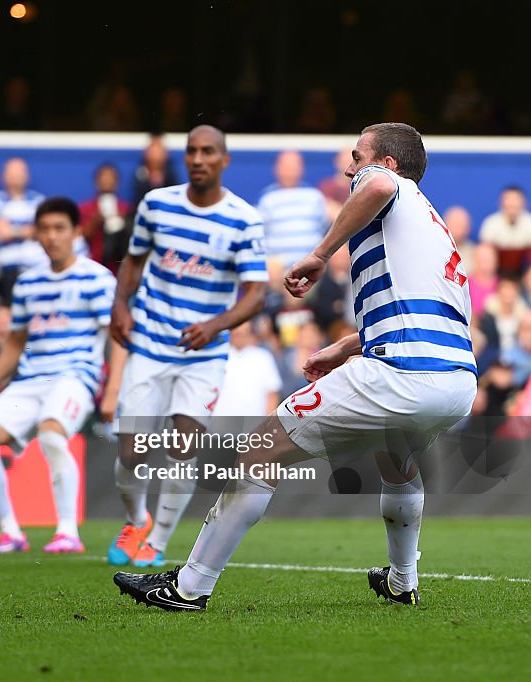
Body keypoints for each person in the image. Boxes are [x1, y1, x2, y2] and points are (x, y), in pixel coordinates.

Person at [114, 122, 478, 611]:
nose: (349, 166)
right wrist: (345, 349)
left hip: (402, 373)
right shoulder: (432, 228)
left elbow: (377, 184)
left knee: (258, 451)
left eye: (357, 155)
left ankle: (189, 587)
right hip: (455, 382)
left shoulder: (390, 186)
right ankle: (401, 579)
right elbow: (424, 314)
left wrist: (319, 254)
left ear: (388, 162)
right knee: (396, 463)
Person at [107, 125, 268, 570]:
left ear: (224, 160)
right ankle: (135, 520)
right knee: (132, 452)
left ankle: (157, 541)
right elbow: (135, 260)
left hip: (204, 354)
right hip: (151, 344)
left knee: (183, 444)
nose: (198, 159)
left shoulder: (243, 218)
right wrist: (120, 305)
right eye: (192, 151)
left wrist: (215, 325)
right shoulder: (157, 205)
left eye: (208, 152)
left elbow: (257, 292)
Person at [0, 197, 116, 555]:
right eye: (45, 229)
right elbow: (16, 339)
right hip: (31, 379)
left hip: (75, 376)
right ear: (36, 234)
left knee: (52, 434)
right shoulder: (27, 282)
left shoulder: (96, 277)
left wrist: (113, 388)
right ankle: (11, 533)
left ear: (76, 232)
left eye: (59, 229)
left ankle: (67, 532)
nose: (52, 237)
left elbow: (117, 336)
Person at [256, 150, 329, 269]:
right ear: (277, 169)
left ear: (302, 169)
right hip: (277, 272)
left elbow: (325, 230)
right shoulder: (267, 199)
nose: (290, 171)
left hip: (311, 269)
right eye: (286, 167)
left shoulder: (315, 197)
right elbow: (259, 236)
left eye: (294, 166)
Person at [478, 186, 531, 278]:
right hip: (497, 272)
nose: (512, 204)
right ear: (501, 203)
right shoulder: (491, 224)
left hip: (525, 272)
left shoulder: (529, 222)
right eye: (508, 200)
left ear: (524, 203)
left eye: (516, 200)